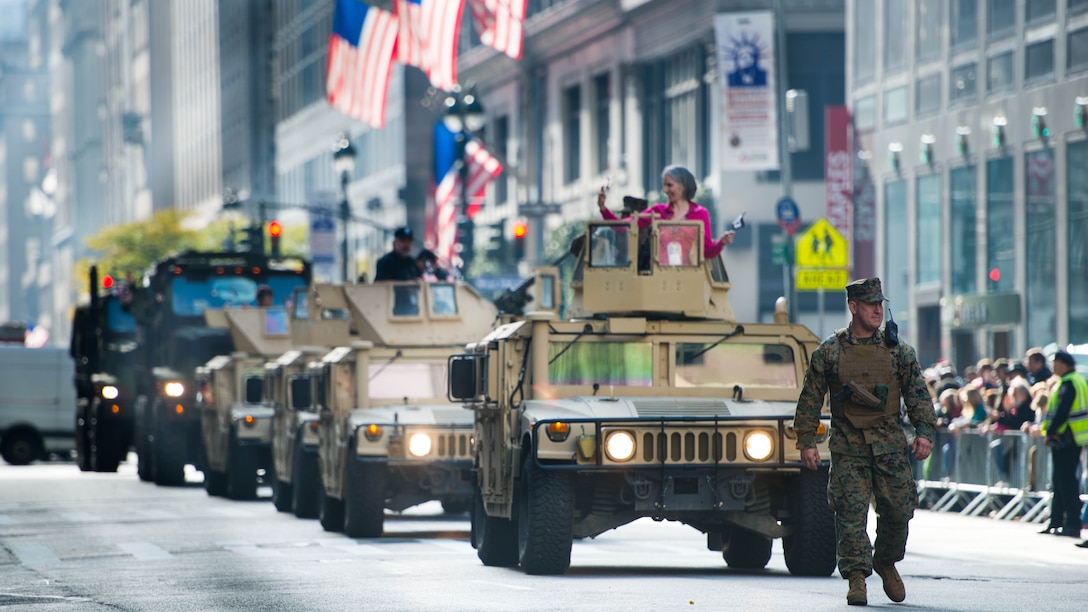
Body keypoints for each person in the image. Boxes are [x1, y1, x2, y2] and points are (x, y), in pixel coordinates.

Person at [793, 277, 935, 606]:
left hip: (889, 446)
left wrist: (924, 432)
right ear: (853, 307)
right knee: (850, 514)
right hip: (848, 447)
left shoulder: (899, 352)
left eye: (880, 303)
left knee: (900, 511)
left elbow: (917, 396)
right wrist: (806, 440)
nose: (877, 309)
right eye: (870, 304)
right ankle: (857, 578)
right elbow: (810, 398)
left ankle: (885, 561)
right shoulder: (829, 351)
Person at [596, 165, 735, 259]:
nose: (665, 190)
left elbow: (707, 251)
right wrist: (603, 208)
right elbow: (623, 227)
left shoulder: (700, 213)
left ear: (683, 186)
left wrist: (721, 242)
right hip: (658, 278)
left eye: (670, 185)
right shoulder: (657, 211)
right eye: (664, 186)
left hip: (687, 278)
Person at [1039, 350, 1088, 539]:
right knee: (1059, 482)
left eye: (1055, 362)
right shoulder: (1068, 382)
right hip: (1068, 438)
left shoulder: (1069, 383)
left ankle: (1072, 524)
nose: (1052, 366)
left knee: (1067, 483)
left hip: (1067, 438)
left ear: (1064, 364)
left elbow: (1063, 412)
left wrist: (1050, 432)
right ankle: (1056, 520)